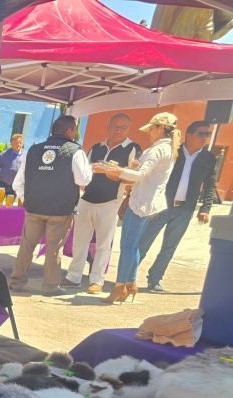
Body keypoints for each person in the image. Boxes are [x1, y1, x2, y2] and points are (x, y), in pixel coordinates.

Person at [91, 113, 180, 304]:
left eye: (152, 129)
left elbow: (139, 175)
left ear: (160, 128)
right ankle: (130, 283)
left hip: (141, 202)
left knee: (127, 246)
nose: (149, 133)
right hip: (149, 202)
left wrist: (112, 170)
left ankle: (120, 286)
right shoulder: (168, 148)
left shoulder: (158, 149)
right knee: (133, 246)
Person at [10, 115, 93, 296]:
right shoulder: (76, 151)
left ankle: (16, 282)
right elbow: (83, 180)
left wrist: (27, 199)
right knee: (54, 248)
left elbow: (18, 183)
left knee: (26, 246)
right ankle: (50, 286)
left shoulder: (33, 150)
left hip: (34, 208)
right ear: (69, 131)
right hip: (60, 211)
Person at [64, 113, 141, 294]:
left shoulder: (133, 148)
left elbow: (134, 176)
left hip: (110, 202)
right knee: (79, 241)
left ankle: (97, 280)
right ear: (108, 127)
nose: (118, 130)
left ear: (128, 129)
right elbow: (84, 170)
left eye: (123, 127)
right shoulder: (97, 147)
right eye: (115, 126)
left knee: (103, 245)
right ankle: (73, 276)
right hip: (87, 199)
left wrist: (109, 172)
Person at [140, 120, 219, 292]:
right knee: (144, 242)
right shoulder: (172, 152)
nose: (205, 138)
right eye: (201, 134)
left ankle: (154, 279)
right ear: (188, 135)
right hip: (162, 205)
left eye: (208, 134)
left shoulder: (208, 158)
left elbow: (210, 185)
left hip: (185, 209)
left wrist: (205, 209)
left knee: (169, 247)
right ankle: (126, 277)